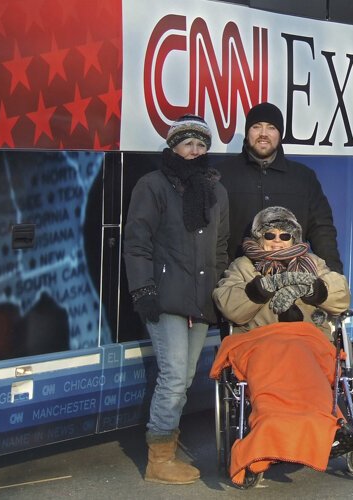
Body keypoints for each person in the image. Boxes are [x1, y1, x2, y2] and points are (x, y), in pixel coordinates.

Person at [123, 114, 229, 485]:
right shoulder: (152, 185)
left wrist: (220, 291)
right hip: (165, 299)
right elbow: (137, 243)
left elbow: (219, 247)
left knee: (184, 376)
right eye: (187, 143)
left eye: (201, 144)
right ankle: (159, 458)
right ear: (173, 147)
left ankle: (168, 441)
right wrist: (144, 291)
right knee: (172, 377)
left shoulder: (216, 190)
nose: (194, 151)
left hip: (200, 301)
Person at [214, 102, 344, 274]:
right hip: (239, 281)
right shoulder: (222, 175)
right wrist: (219, 280)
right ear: (247, 132)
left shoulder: (303, 177)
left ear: (280, 134)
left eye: (271, 128)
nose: (263, 134)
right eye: (256, 127)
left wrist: (334, 276)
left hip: (292, 280)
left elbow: (322, 230)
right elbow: (212, 239)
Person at [213, 206, 349, 337]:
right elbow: (228, 305)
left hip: (309, 339)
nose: (277, 240)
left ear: (293, 240)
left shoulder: (313, 261)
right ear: (259, 237)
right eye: (270, 235)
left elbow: (341, 295)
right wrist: (264, 287)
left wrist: (311, 288)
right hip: (261, 340)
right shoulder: (243, 265)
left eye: (285, 236)